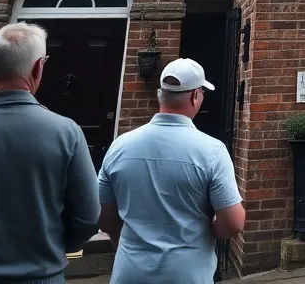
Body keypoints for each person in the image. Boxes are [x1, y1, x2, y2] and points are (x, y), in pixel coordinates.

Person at [0, 22, 100, 283]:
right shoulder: (67, 133)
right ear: (39, 66)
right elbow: (87, 218)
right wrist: (51, 248)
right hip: (39, 275)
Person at [98, 57, 245, 284]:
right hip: (187, 273)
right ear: (195, 96)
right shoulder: (212, 151)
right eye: (203, 93)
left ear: (161, 94)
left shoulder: (120, 146)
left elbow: (104, 216)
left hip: (129, 272)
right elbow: (233, 223)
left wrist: (124, 242)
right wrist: (203, 236)